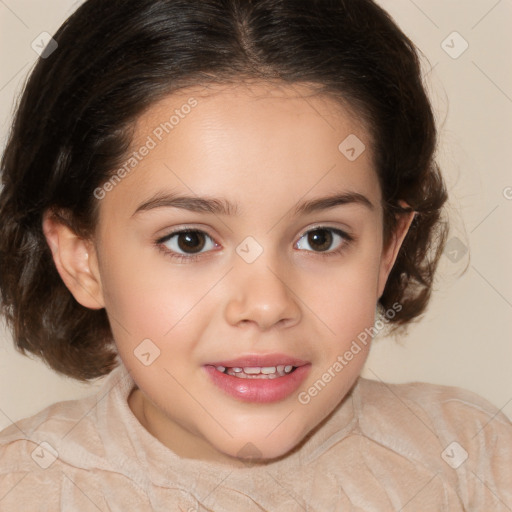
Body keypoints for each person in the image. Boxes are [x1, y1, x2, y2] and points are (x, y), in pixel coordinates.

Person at [0, 0, 510, 510]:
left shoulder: (474, 461)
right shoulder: (21, 488)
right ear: (82, 258)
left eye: (321, 238)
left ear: (386, 249)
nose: (267, 305)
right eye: (190, 240)